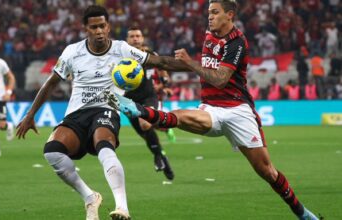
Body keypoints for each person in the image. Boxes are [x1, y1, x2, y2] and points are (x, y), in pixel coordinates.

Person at [105, 1, 318, 219]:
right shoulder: (210, 36)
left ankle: (302, 213)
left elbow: (219, 79)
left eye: (215, 13)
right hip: (211, 109)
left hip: (238, 111)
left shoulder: (237, 42)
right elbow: (182, 64)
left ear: (230, 15)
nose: (210, 17)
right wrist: (152, 61)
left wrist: (190, 62)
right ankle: (136, 109)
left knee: (268, 172)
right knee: (175, 117)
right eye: (209, 13)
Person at [15, 5, 190, 220]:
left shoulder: (123, 49)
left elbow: (160, 61)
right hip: (77, 113)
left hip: (106, 109)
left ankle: (122, 208)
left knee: (103, 145)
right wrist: (30, 114)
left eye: (102, 26)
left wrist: (196, 67)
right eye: (94, 27)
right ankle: (90, 197)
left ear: (108, 27)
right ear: (85, 29)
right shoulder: (72, 52)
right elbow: (50, 84)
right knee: (52, 151)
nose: (99, 31)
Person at [125, 26, 174, 180]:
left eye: (138, 36)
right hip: (128, 101)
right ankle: (161, 157)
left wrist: (165, 85)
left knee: (145, 124)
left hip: (148, 97)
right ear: (127, 40)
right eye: (132, 36)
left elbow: (163, 71)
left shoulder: (150, 55)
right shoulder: (121, 57)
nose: (135, 38)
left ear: (142, 38)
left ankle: (159, 152)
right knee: (146, 134)